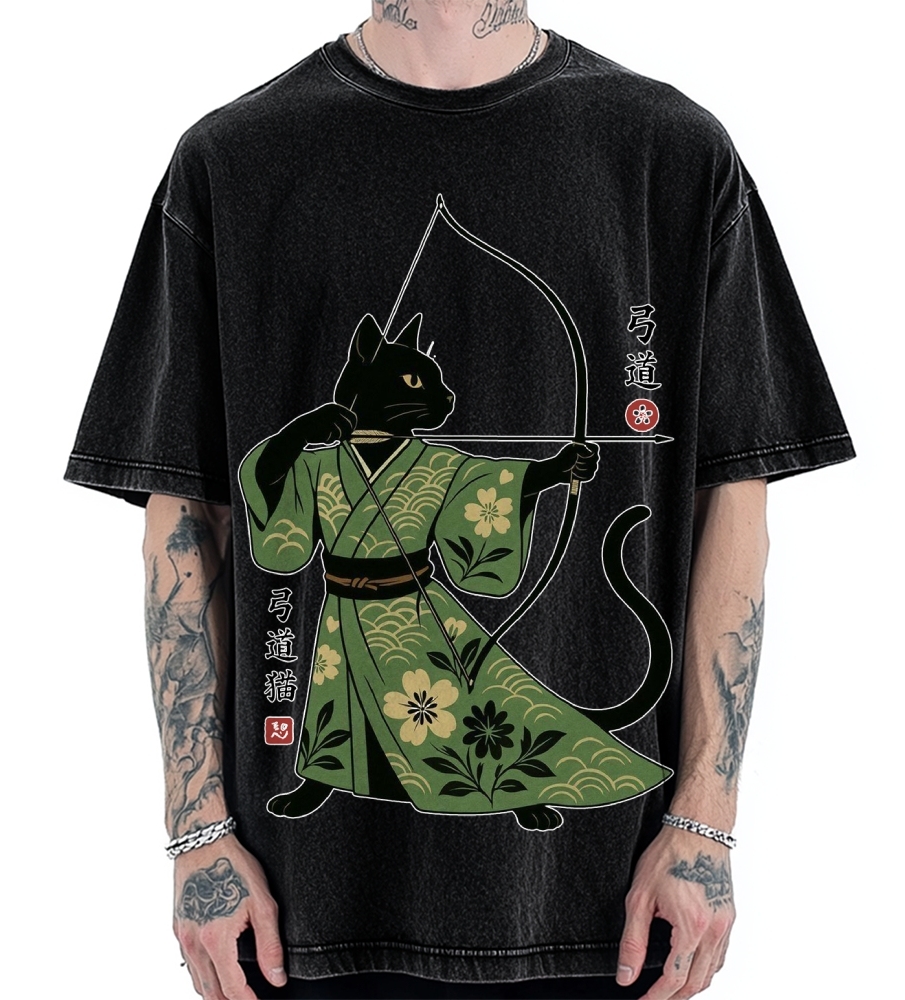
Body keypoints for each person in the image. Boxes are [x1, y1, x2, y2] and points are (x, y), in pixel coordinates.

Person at [64, 3, 855, 998]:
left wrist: (704, 827)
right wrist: (200, 836)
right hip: (291, 907)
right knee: (351, 723)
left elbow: (734, 502)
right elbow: (188, 527)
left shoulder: (671, 152)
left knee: (480, 715)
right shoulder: (232, 161)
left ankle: (518, 787)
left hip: (606, 901)